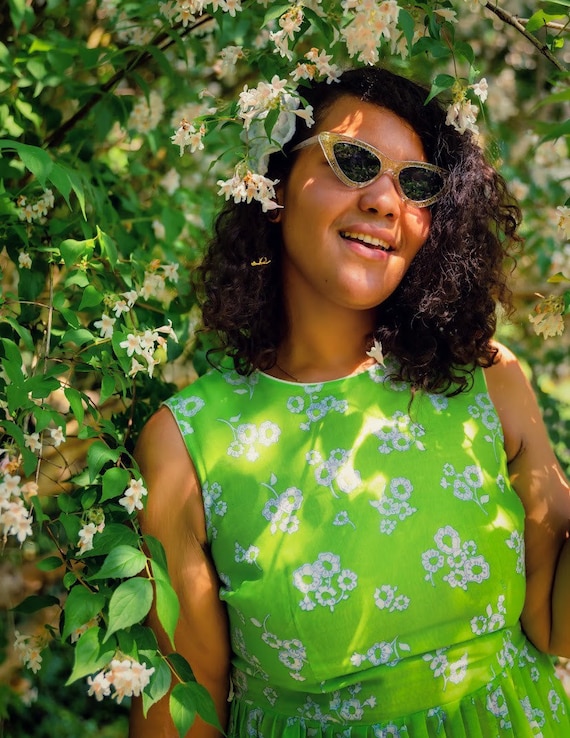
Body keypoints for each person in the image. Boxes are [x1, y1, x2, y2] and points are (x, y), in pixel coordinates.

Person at [129, 67, 570, 737]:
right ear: (274, 185)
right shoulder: (186, 448)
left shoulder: (485, 381)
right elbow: (181, 718)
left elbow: (554, 624)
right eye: (355, 161)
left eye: (416, 185)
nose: (387, 202)